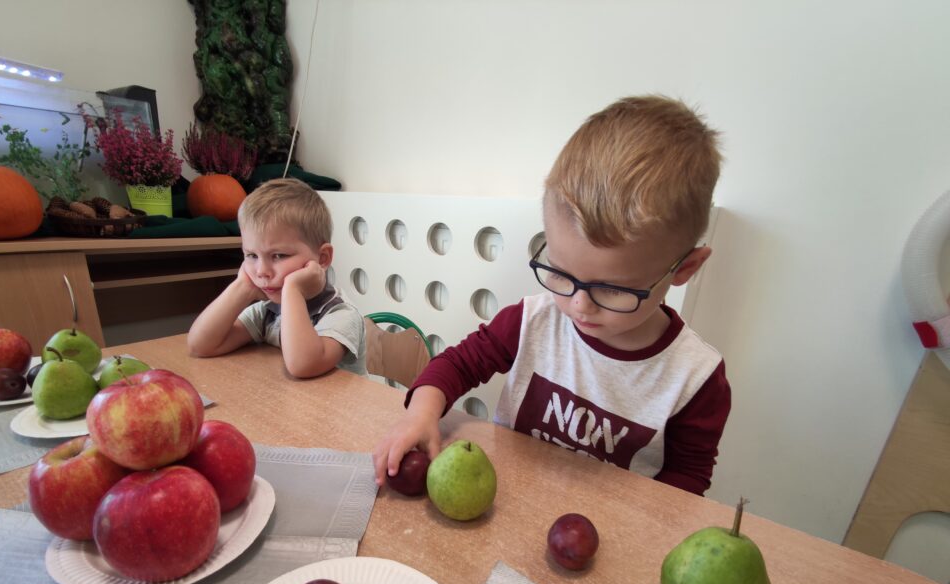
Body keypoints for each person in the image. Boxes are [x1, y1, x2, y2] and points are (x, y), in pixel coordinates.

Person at [373, 95, 730, 496]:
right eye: (561, 273)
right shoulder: (533, 320)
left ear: (684, 269)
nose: (579, 305)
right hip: (504, 502)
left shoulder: (695, 379)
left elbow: (686, 484)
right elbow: (458, 364)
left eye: (612, 288)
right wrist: (421, 414)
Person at [187, 178, 367, 378]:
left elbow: (303, 366)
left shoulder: (341, 314)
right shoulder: (268, 311)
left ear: (322, 258)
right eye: (252, 255)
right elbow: (200, 346)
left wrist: (293, 289)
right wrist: (242, 286)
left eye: (279, 256)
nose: (261, 271)